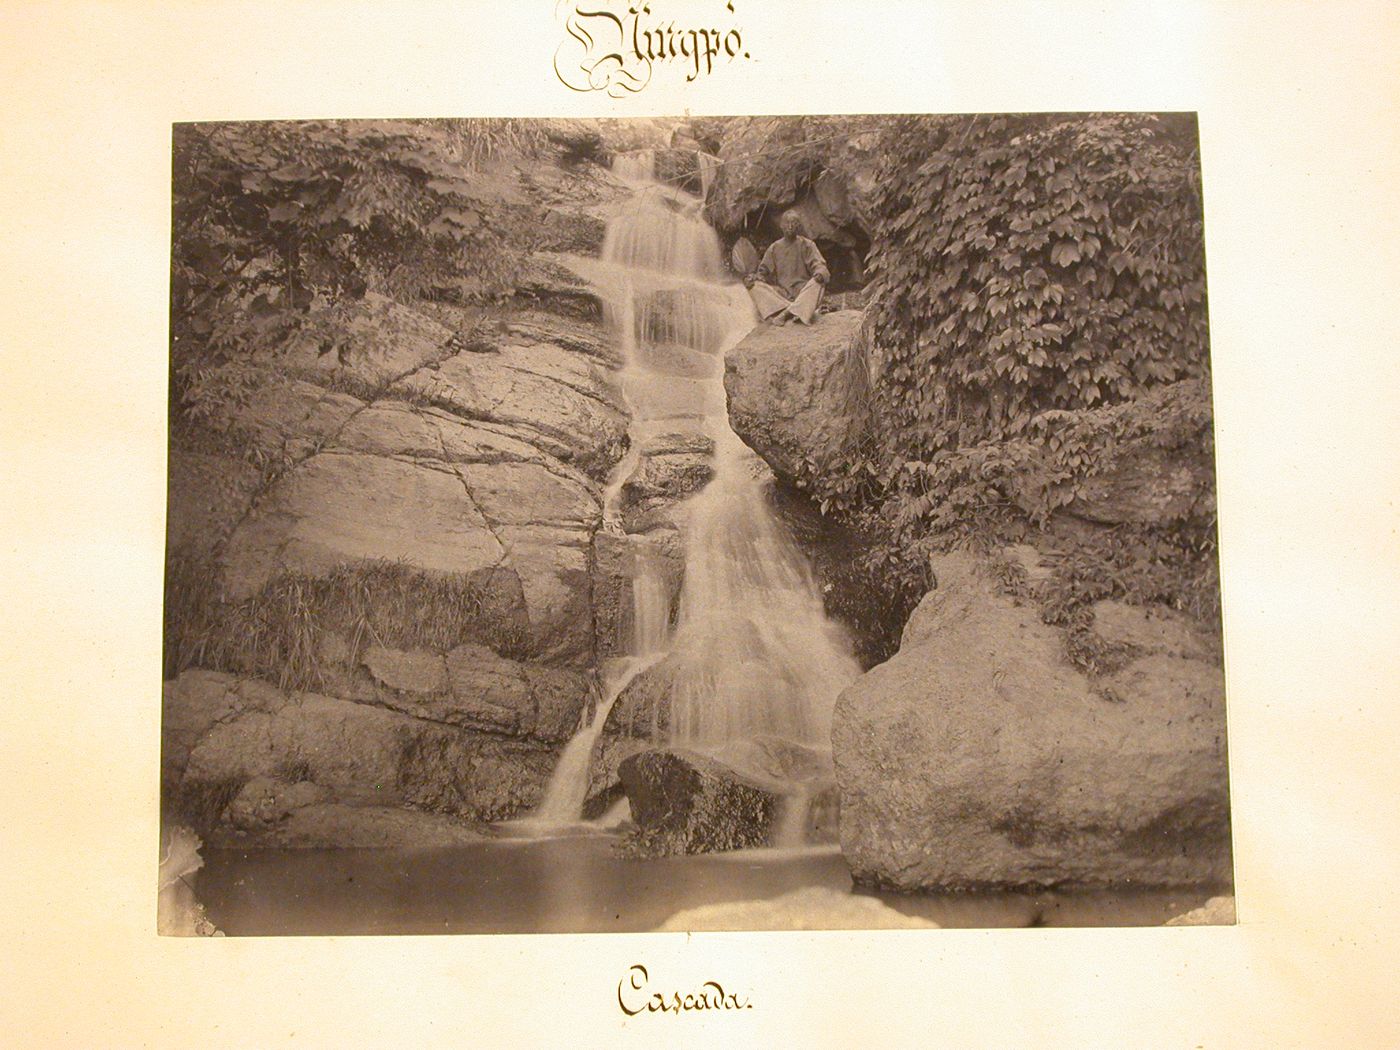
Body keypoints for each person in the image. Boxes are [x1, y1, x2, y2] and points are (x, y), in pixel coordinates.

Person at [743, 210, 829, 325]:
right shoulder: (775, 248)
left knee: (818, 283)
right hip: (783, 295)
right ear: (781, 225)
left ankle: (787, 313)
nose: (790, 226)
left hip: (803, 292)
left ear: (799, 226)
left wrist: (820, 272)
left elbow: (819, 264)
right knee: (754, 287)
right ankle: (795, 309)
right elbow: (762, 272)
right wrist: (753, 279)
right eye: (787, 223)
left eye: (794, 223)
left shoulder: (807, 245)